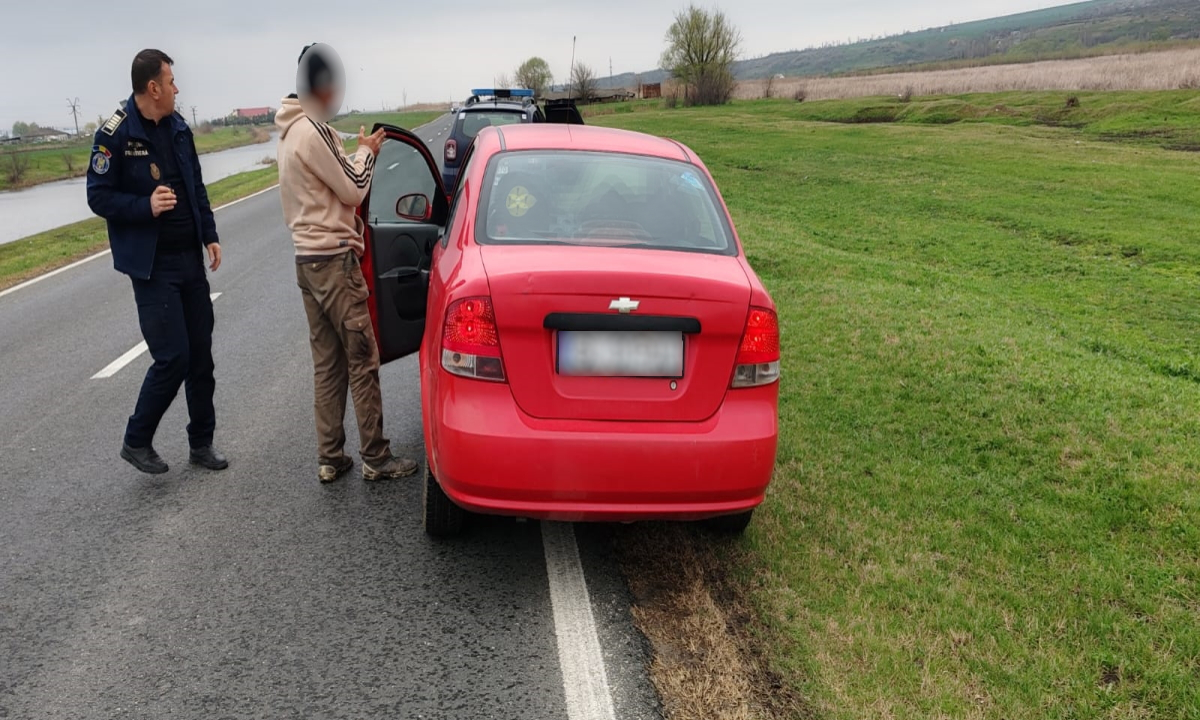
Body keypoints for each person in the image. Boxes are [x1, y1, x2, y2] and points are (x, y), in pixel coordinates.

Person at [275, 43, 417, 483]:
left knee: (328, 362)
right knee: (362, 358)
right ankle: (376, 457)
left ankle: (330, 456)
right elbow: (354, 188)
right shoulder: (313, 130)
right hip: (335, 261)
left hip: (306, 262)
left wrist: (356, 150)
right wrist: (367, 151)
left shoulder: (286, 132)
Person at [87, 49, 227, 475]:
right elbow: (98, 196)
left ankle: (201, 444)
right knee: (174, 357)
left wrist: (210, 234)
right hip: (152, 267)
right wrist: (144, 205)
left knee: (200, 356)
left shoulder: (178, 126)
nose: (176, 88)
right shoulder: (114, 134)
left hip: (189, 259)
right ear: (152, 87)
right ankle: (136, 439)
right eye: (170, 81)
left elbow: (195, 184)